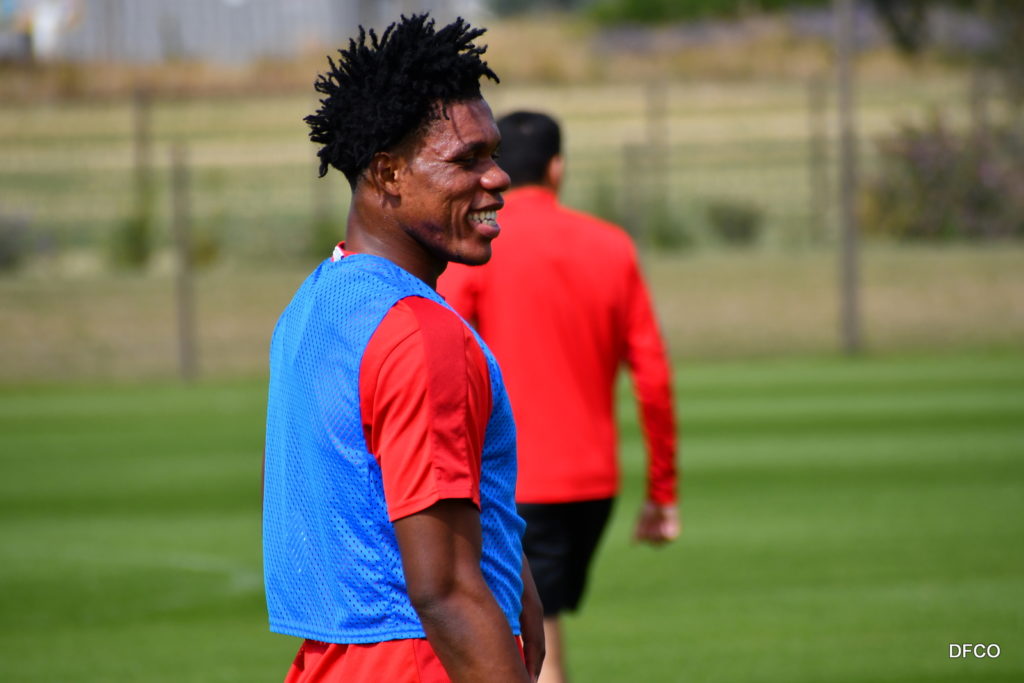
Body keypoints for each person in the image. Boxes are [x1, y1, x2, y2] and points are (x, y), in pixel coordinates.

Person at [262, 16, 544, 683]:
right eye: (467, 159)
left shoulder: (314, 305)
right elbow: (444, 589)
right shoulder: (418, 332)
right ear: (388, 172)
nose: (498, 177)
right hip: (421, 660)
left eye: (494, 153)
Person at [438, 111, 680, 683]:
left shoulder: (480, 246)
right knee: (534, 628)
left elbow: (443, 358)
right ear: (557, 168)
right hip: (593, 487)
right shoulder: (613, 246)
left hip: (511, 484)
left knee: (522, 643)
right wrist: (662, 491)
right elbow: (652, 375)